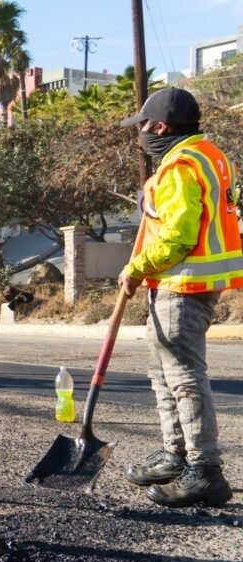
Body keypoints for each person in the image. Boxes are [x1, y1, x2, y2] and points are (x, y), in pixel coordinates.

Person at [118, 87, 240, 507]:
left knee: (184, 378)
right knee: (164, 374)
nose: (142, 134)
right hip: (178, 285)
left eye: (145, 126)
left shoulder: (180, 166)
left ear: (162, 126)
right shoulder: (210, 155)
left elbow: (178, 237)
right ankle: (176, 455)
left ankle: (205, 471)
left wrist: (135, 268)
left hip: (181, 285)